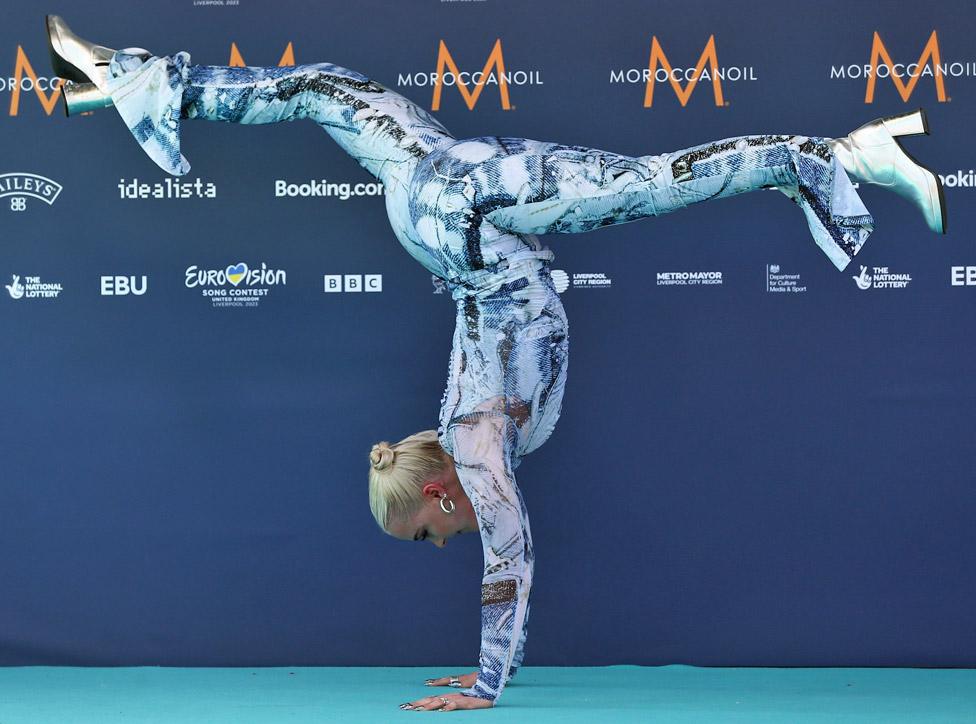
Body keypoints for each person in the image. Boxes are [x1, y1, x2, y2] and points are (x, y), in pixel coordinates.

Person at [46, 14, 946, 713]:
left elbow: (508, 553)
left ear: (440, 498)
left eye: (431, 534)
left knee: (657, 182)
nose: (448, 540)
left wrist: (485, 684)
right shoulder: (454, 423)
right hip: (440, 188)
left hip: (469, 217)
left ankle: (835, 156)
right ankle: (128, 77)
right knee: (321, 89)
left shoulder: (473, 443)